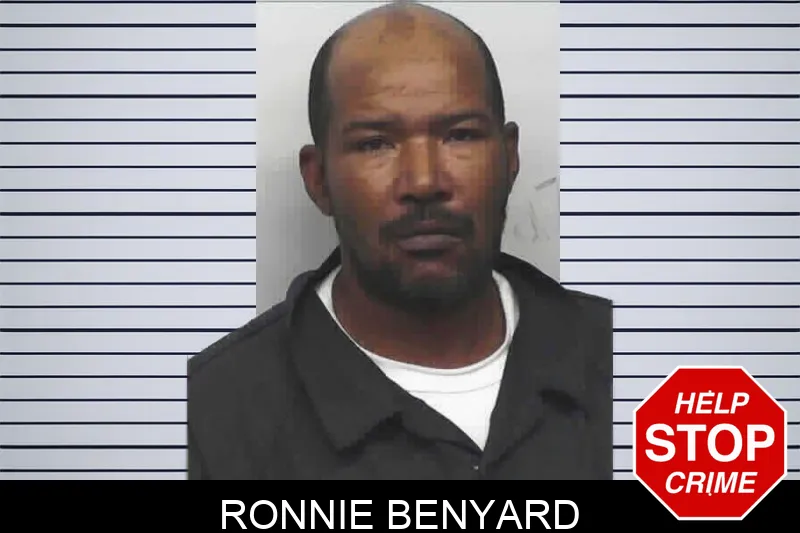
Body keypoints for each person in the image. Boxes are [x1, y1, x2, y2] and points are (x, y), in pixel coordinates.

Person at [188, 0, 612, 480]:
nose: (424, 181)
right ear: (319, 179)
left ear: (509, 158)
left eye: (460, 136)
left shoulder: (640, 367)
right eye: (375, 143)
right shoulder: (209, 421)